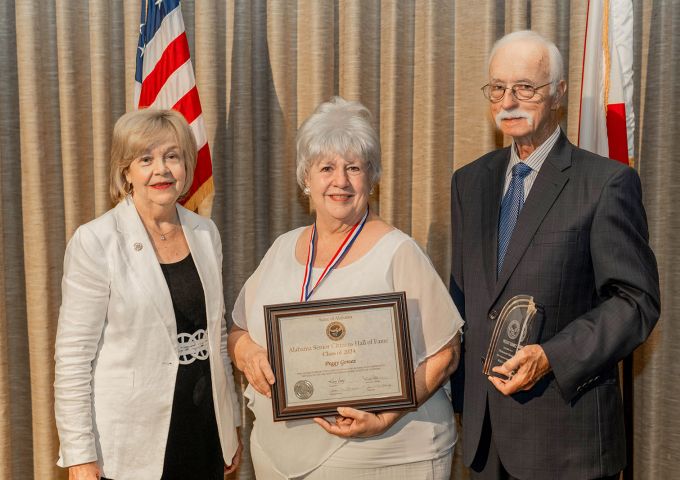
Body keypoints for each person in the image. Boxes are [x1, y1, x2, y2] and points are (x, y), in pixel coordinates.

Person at [449, 30, 660, 479]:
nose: (509, 101)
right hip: (486, 444)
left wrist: (552, 355)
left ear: (559, 93)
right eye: (498, 88)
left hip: (567, 444)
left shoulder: (606, 183)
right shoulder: (469, 183)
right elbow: (464, 299)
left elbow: (635, 302)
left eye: (526, 87)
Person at [228, 96, 463, 479]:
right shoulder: (282, 248)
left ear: (371, 178)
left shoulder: (398, 251)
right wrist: (247, 352)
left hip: (382, 455)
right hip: (276, 454)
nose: (340, 181)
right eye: (326, 167)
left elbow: (446, 354)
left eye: (353, 168)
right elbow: (236, 329)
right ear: (307, 178)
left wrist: (383, 417)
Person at [54, 109, 242, 480]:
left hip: (203, 429)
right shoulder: (96, 241)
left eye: (172, 156)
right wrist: (79, 454)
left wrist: (230, 421)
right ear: (126, 171)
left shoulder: (205, 233)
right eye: (146, 159)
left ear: (186, 166)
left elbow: (217, 337)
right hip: (131, 444)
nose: (162, 169)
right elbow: (74, 357)